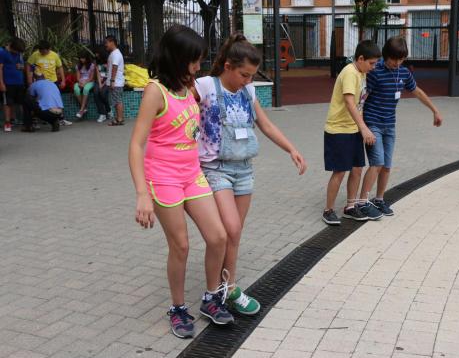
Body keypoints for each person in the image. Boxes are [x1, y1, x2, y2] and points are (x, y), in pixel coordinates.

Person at [129, 25, 234, 339]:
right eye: (194, 60)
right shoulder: (155, 91)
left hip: (192, 174)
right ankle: (177, 308)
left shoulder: (190, 87)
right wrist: (142, 194)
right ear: (177, 59)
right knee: (181, 246)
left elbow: (221, 84)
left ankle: (211, 298)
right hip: (163, 179)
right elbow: (136, 145)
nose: (198, 66)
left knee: (218, 237)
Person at [194, 33, 307, 315]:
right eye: (245, 74)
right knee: (229, 228)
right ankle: (215, 292)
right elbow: (178, 107)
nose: (248, 80)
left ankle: (229, 288)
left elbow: (266, 125)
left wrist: (291, 149)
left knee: (235, 234)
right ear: (228, 66)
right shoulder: (205, 86)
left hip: (244, 169)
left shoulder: (249, 91)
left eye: (252, 75)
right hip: (215, 168)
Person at [356, 36, 443, 219]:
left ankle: (379, 199)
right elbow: (362, 99)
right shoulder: (375, 71)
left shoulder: (403, 73)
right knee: (377, 163)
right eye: (393, 59)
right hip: (373, 125)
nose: (397, 63)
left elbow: (417, 91)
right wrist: (363, 126)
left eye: (401, 59)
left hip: (390, 126)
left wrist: (434, 110)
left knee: (386, 166)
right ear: (385, 55)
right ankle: (362, 202)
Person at [321, 40, 381, 226]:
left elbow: (360, 102)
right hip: (338, 130)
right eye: (371, 63)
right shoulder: (350, 73)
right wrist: (364, 128)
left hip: (352, 128)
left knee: (356, 168)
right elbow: (349, 103)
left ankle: (350, 206)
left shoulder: (361, 73)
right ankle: (328, 210)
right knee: (340, 171)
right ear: (360, 58)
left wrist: (360, 127)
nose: (373, 67)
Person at [0, 37, 26, 132]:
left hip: (19, 81)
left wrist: (21, 66)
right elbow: (0, 69)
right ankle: (7, 122)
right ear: (12, 47)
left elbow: (22, 66)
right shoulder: (2, 52)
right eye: (16, 50)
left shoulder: (19, 53)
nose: (18, 52)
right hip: (8, 82)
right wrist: (1, 83)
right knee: (8, 103)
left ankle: (22, 120)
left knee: (21, 102)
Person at [104, 35, 125, 126]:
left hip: (116, 82)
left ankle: (120, 119)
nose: (105, 45)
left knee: (117, 101)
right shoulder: (114, 53)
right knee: (116, 101)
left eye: (106, 43)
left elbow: (115, 67)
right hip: (115, 82)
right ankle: (118, 118)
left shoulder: (116, 54)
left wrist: (112, 81)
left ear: (112, 42)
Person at [74, 51, 96, 119]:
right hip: (81, 81)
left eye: (83, 58)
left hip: (90, 81)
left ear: (87, 58)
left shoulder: (92, 65)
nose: (81, 60)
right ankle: (84, 108)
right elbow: (78, 77)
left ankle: (81, 110)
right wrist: (80, 82)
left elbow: (91, 78)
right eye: (80, 58)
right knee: (76, 89)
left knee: (86, 89)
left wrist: (85, 83)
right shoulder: (78, 66)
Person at [93, 47, 111, 123]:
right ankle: (102, 114)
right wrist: (100, 83)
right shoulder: (96, 61)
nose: (95, 55)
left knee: (103, 93)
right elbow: (97, 73)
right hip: (99, 81)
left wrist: (103, 83)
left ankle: (109, 110)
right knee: (96, 92)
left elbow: (109, 73)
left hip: (107, 80)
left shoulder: (109, 61)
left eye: (97, 53)